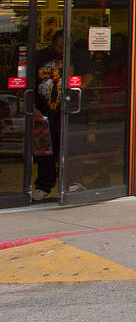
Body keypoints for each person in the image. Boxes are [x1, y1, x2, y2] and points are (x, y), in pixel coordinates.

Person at [31, 31, 64, 200]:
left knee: (65, 147)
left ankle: (70, 183)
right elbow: (26, 83)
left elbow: (87, 76)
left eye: (64, 47)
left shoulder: (75, 56)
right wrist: (33, 107)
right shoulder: (39, 57)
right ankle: (43, 186)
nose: (61, 50)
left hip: (65, 112)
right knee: (45, 151)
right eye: (59, 46)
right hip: (43, 113)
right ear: (52, 43)